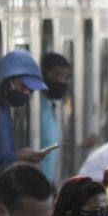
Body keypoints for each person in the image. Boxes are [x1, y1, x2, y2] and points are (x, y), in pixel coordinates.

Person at [0, 50, 49, 198]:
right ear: (6, 78)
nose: (26, 92)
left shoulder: (3, 106)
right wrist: (16, 158)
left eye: (31, 90)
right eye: (23, 86)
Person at [39, 52, 71, 182]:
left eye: (65, 76)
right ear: (44, 74)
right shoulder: (36, 107)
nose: (61, 81)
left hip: (49, 181)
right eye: (57, 75)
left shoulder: (51, 105)